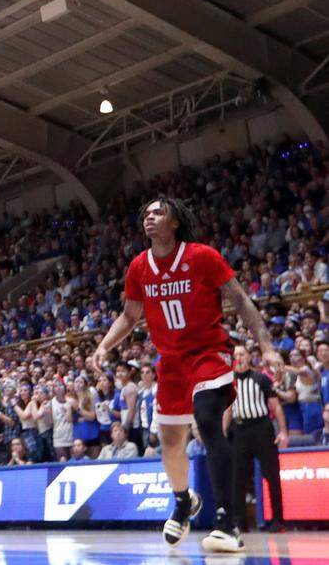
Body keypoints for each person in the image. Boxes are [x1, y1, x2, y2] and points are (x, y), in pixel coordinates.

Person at [92, 196, 284, 553]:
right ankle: (183, 501)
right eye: (146, 213)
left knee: (208, 419)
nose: (149, 217)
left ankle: (228, 523)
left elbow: (241, 300)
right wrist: (104, 346)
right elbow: (130, 316)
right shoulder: (139, 267)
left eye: (158, 212)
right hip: (172, 363)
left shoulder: (201, 256)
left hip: (209, 353)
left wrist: (267, 347)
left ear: (175, 221)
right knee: (170, 445)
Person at [225, 345, 288, 532]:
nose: (239, 357)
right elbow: (228, 410)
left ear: (249, 357)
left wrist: (283, 431)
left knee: (272, 475)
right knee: (238, 478)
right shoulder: (229, 383)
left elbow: (275, 406)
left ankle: (278, 520)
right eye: (235, 355)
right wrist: (222, 432)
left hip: (261, 428)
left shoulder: (260, 378)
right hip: (239, 430)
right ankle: (239, 522)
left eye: (242, 354)